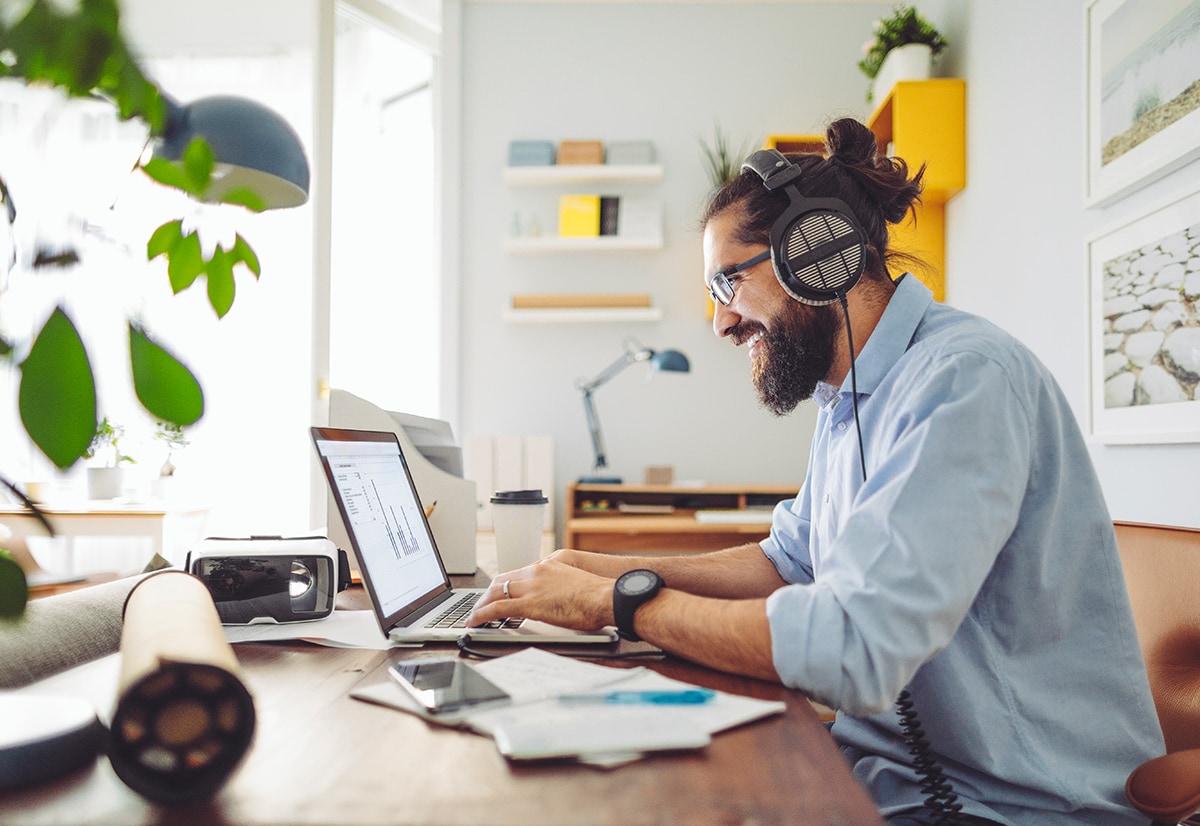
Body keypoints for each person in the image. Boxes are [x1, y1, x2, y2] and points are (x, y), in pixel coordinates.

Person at [469, 117, 1164, 825]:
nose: (720, 323)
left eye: (726, 283)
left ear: (816, 254)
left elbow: (851, 649)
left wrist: (616, 606)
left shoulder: (963, 382)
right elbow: (788, 562)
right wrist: (596, 569)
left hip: (1013, 804)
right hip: (886, 776)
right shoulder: (848, 397)